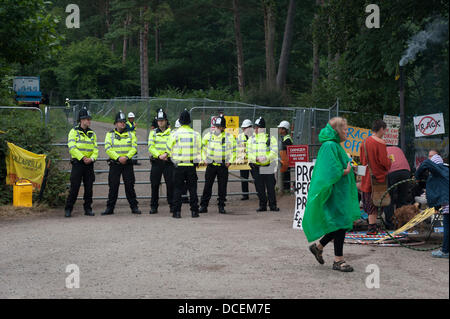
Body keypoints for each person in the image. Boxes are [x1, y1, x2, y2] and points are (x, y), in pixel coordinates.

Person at [304, 117, 360, 272]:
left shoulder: (334, 145)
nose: (347, 131)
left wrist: (348, 167)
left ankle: (318, 247)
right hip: (334, 193)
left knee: (339, 223)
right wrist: (346, 170)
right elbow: (329, 171)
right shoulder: (329, 145)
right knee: (340, 223)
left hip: (339, 192)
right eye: (345, 129)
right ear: (337, 130)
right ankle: (338, 260)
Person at [102, 111, 141, 215]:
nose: (122, 123)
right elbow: (108, 148)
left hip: (127, 164)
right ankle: (110, 208)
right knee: (113, 186)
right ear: (115, 123)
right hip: (115, 164)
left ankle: (134, 207)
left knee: (130, 186)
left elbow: (134, 147)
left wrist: (127, 157)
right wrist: (118, 158)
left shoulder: (131, 134)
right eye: (120, 122)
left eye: (124, 122)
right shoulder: (109, 135)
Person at [166, 109, 202, 218]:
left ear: (180, 121)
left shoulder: (174, 134)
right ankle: (194, 211)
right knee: (192, 189)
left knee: (177, 189)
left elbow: (168, 149)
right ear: (189, 121)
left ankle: (177, 212)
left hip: (178, 165)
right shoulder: (196, 134)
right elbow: (200, 149)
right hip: (191, 165)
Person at [359, 119, 392, 235]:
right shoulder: (380, 143)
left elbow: (362, 160)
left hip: (366, 176)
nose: (384, 133)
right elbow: (383, 161)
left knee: (368, 200)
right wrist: (390, 161)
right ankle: (372, 228)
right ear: (381, 129)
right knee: (376, 201)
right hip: (378, 177)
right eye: (384, 130)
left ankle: (371, 226)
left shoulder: (363, 142)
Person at [64, 108, 98, 217]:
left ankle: (88, 208)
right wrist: (83, 157)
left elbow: (95, 149)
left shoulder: (92, 133)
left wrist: (91, 159)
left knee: (89, 188)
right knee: (75, 187)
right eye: (86, 119)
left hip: (89, 164)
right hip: (78, 163)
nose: (89, 121)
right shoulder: (73, 132)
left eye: (89, 119)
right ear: (81, 120)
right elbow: (72, 147)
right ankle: (68, 208)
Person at [199, 115, 236, 214]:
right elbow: (202, 148)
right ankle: (203, 205)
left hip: (223, 166)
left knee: (222, 187)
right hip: (211, 165)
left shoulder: (229, 137)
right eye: (217, 126)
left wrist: (230, 161)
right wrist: (204, 158)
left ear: (224, 128)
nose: (218, 128)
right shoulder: (208, 136)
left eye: (220, 127)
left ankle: (221, 206)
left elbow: (234, 150)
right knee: (207, 186)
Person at [415, 150, 449, 258]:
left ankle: (445, 251)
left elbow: (425, 163)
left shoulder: (438, 169)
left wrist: (417, 176)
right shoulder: (446, 170)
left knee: (447, 227)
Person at [247, 117, 279, 212]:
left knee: (270, 187)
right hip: (256, 166)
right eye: (255, 127)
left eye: (258, 127)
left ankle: (273, 205)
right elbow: (248, 152)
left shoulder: (270, 139)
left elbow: (274, 151)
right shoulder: (251, 139)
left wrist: (266, 157)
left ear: (263, 128)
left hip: (267, 165)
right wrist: (255, 159)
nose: (256, 129)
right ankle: (262, 205)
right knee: (259, 188)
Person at [148, 109, 174, 214]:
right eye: (159, 120)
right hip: (157, 162)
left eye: (162, 120)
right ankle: (154, 207)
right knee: (154, 185)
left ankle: (172, 205)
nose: (160, 122)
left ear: (166, 121)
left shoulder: (172, 133)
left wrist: (166, 154)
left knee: (170, 185)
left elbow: (174, 146)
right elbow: (151, 146)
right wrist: (159, 155)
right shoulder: (153, 133)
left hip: (168, 162)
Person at [383, 146, 412, 229]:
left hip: (392, 172)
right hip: (406, 171)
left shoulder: (383, 150)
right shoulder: (398, 149)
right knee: (402, 199)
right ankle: (402, 223)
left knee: (388, 199)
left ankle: (390, 224)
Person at [237, 119, 253, 200]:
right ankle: (245, 194)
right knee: (244, 178)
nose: (244, 129)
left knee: (256, 177)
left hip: (253, 160)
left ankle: (259, 193)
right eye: (243, 128)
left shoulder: (255, 136)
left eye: (245, 128)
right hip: (243, 160)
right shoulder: (240, 136)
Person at [277, 120, 293, 193]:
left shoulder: (287, 139)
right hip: (283, 160)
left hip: (285, 160)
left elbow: (285, 149)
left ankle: (286, 189)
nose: (279, 129)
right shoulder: (284, 138)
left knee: (286, 175)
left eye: (280, 128)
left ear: (284, 130)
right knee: (283, 175)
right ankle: (285, 189)